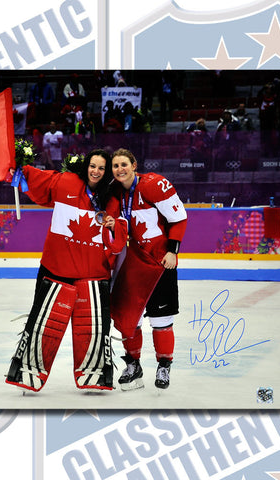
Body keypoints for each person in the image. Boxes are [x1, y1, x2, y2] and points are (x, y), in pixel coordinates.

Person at [6, 149, 128, 392]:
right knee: (41, 325)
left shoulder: (112, 199)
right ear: (86, 166)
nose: (96, 171)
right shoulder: (67, 182)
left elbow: (116, 242)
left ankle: (95, 376)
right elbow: (41, 181)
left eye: (101, 168)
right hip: (56, 268)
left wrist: (115, 227)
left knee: (93, 330)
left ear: (106, 173)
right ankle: (27, 372)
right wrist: (20, 170)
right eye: (93, 166)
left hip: (92, 273)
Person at [109, 148, 187, 391]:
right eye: (115, 166)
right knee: (128, 319)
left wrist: (172, 251)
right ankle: (133, 364)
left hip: (159, 261)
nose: (119, 169)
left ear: (134, 164)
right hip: (131, 263)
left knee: (161, 318)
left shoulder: (153, 184)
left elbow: (179, 217)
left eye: (124, 164)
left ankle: (164, 365)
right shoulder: (113, 191)